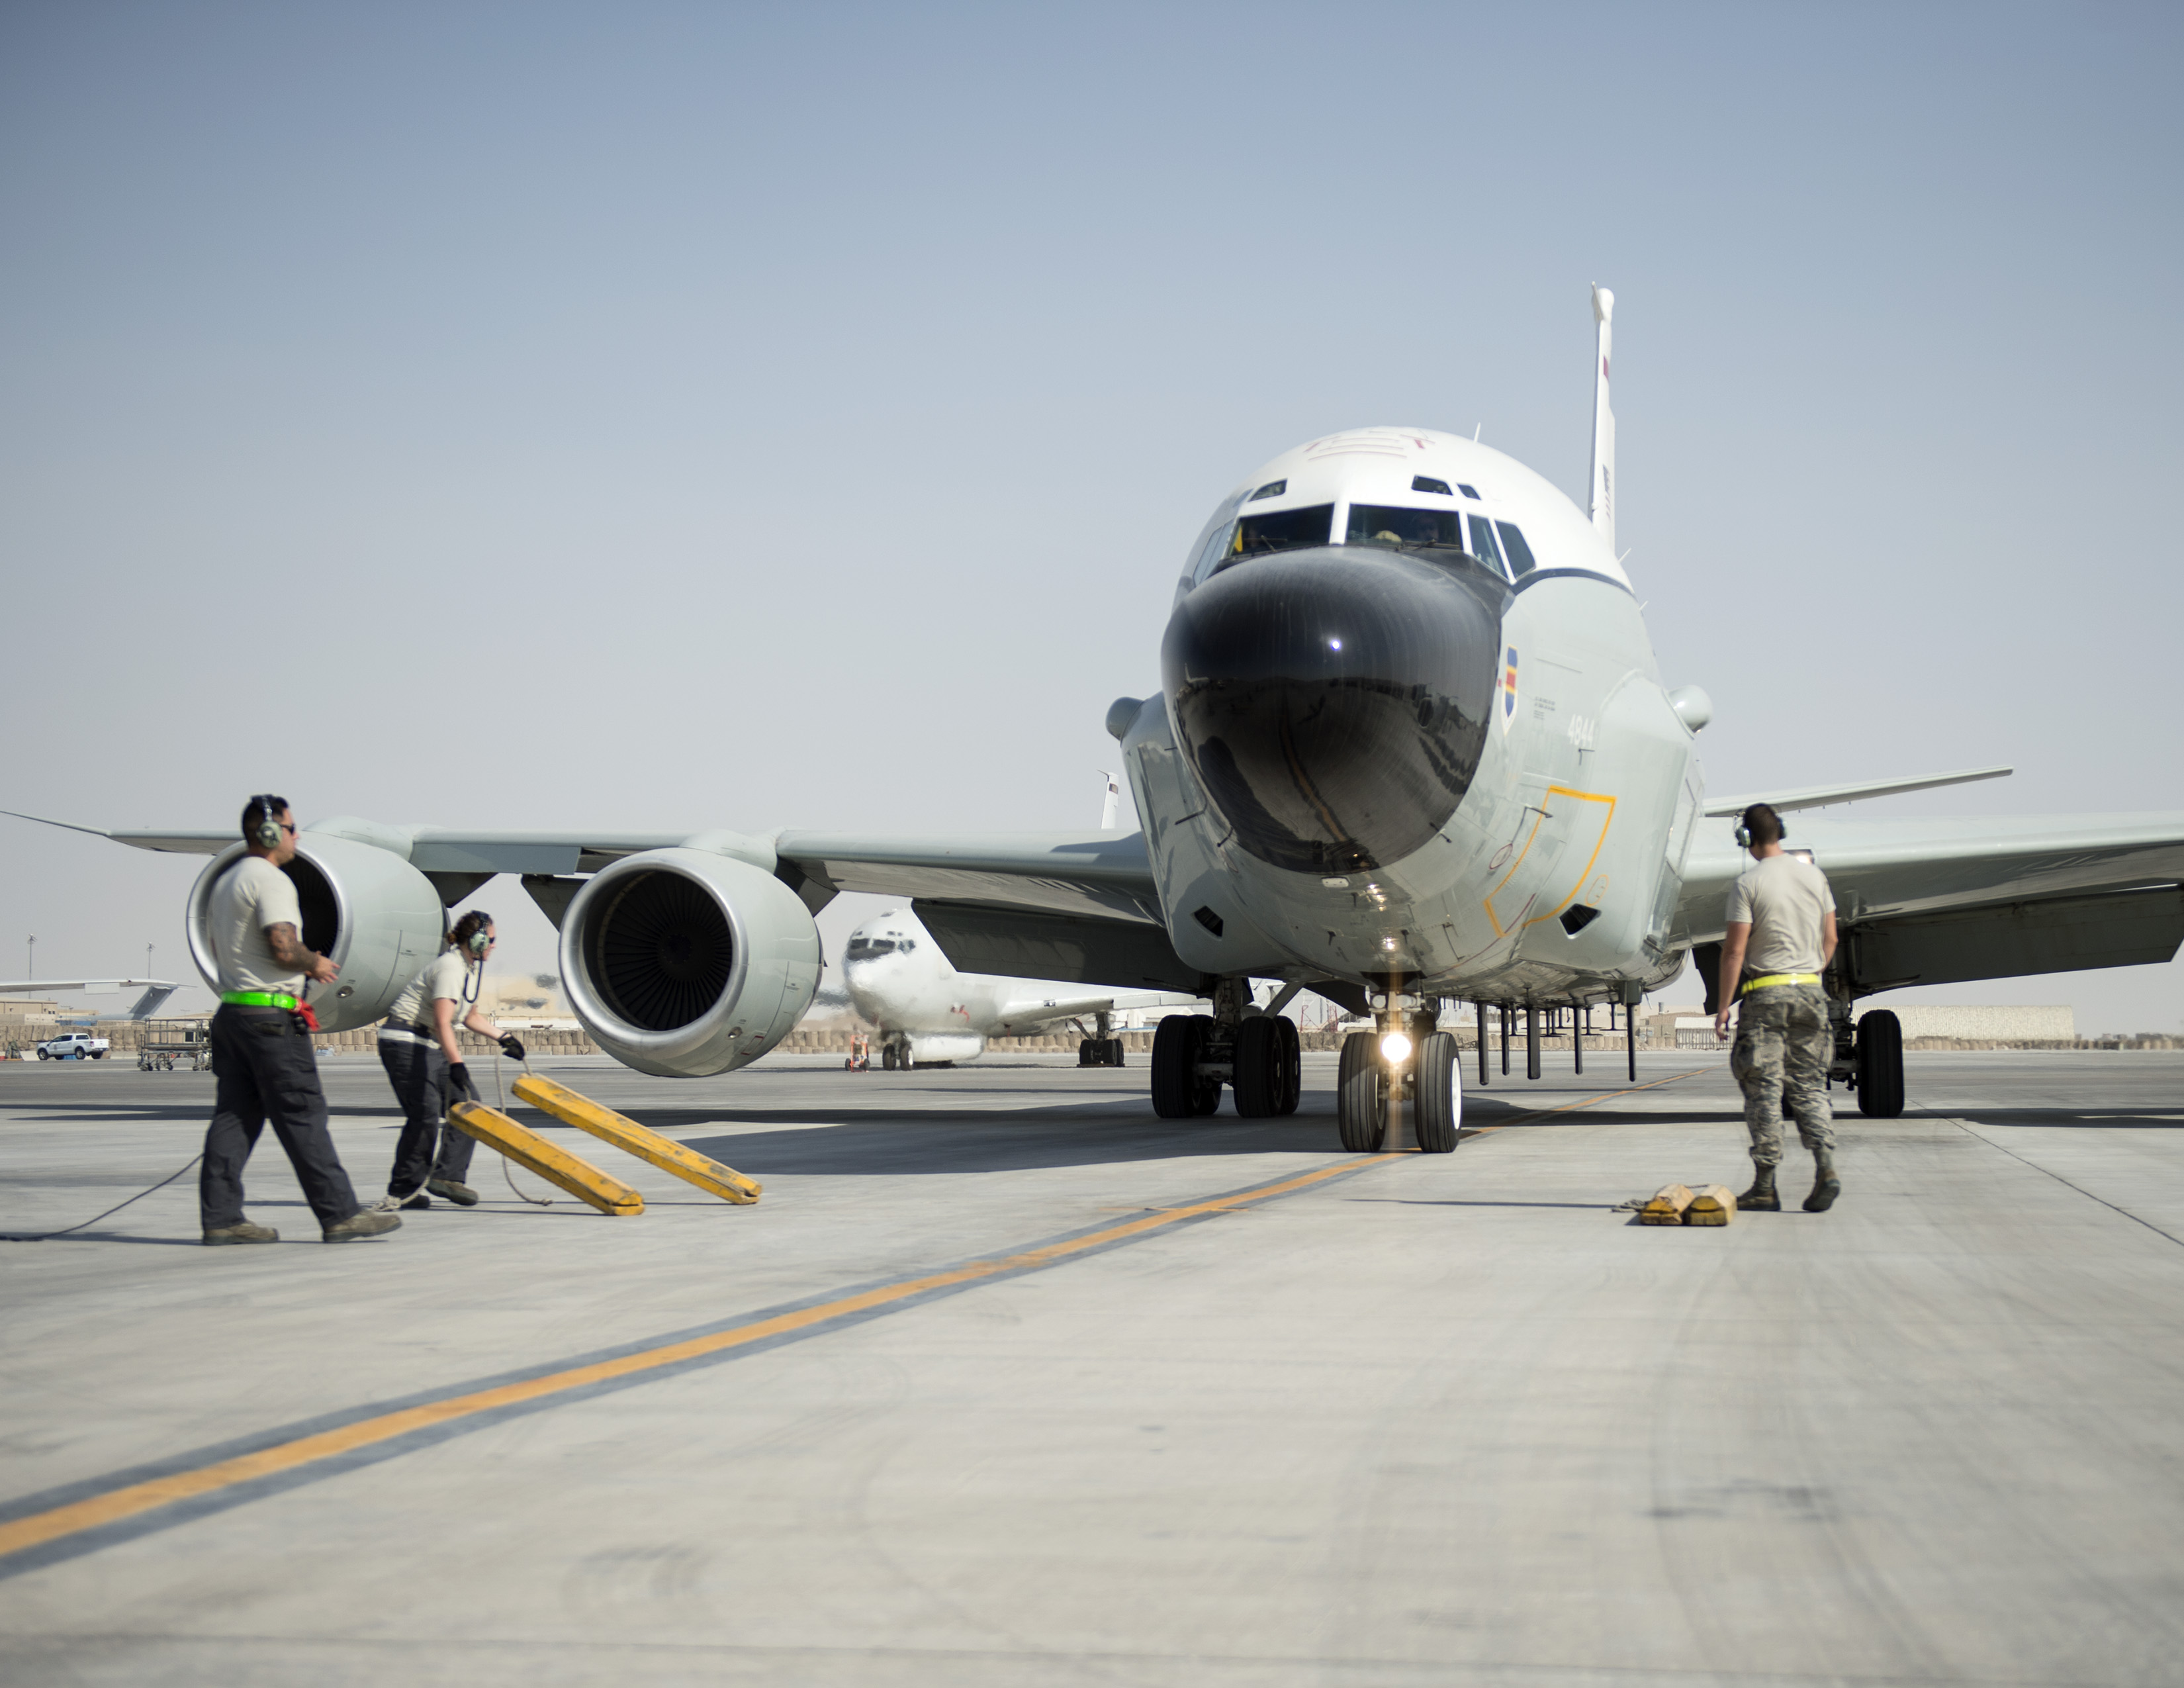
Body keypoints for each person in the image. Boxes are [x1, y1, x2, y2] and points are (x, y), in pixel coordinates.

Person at [201, 795, 400, 1245]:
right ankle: (340, 1213)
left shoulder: (226, 881)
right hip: (271, 1019)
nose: (298, 836)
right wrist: (318, 964)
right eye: (293, 829)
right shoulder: (271, 881)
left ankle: (221, 1217)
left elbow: (221, 950)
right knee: (303, 1115)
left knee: (233, 1118)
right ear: (273, 835)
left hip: (233, 1012)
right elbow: (284, 948)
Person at [1713, 802, 1842, 1213]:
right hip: (1811, 993)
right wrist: (1810, 972)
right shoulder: (1815, 876)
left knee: (1764, 1088)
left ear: (1747, 838)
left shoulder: (1748, 883)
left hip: (1766, 996)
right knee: (1808, 1084)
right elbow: (1832, 938)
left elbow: (1735, 951)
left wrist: (1722, 1007)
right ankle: (1826, 1165)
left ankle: (1766, 1186)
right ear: (1781, 832)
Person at [372, 911, 525, 1211]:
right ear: (477, 940)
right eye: (490, 940)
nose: (494, 946)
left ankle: (447, 1178)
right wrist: (457, 1064)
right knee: (425, 1114)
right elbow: (443, 1022)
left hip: (429, 1044)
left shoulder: (467, 969)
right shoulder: (450, 968)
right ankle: (403, 1190)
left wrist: (504, 1037)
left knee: (469, 1107)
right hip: (405, 1042)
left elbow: (469, 1016)